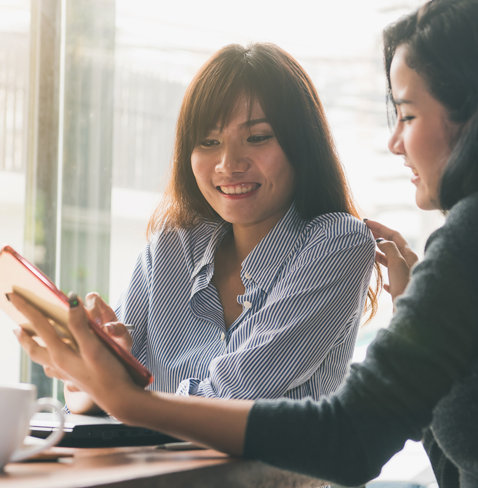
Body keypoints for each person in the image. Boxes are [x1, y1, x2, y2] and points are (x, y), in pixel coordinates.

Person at [12, 0, 478, 487]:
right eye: (208, 142)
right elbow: (467, 470)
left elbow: (349, 438)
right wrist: (99, 377)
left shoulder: (475, 235)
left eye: (409, 115)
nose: (396, 142)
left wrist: (133, 400)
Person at [57, 42, 380, 414]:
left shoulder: (338, 243)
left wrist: (119, 391)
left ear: (302, 144)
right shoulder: (170, 249)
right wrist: (85, 366)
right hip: (149, 472)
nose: (228, 164)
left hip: (263, 475)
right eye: (209, 142)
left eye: (257, 137)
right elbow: (91, 397)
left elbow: (235, 395)